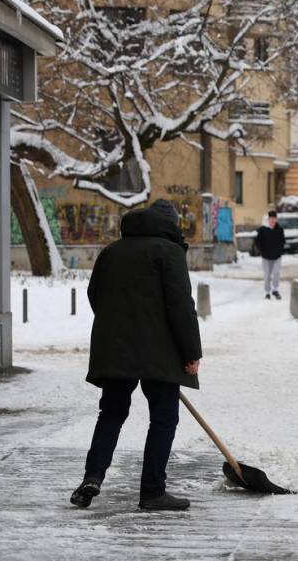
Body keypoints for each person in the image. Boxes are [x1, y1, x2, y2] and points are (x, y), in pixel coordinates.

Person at [71, 199, 202, 511]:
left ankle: (92, 476)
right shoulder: (169, 252)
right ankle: (153, 491)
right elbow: (181, 306)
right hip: (160, 351)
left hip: (115, 347)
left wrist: (118, 324)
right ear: (172, 225)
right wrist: (191, 352)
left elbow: (94, 294)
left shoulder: (112, 251)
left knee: (112, 412)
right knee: (164, 417)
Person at [255, 211, 286, 300]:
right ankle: (267, 292)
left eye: (274, 219)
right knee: (267, 274)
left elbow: (283, 241)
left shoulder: (280, 229)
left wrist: (280, 250)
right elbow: (257, 241)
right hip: (266, 257)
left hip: (277, 256)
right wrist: (262, 250)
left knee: (276, 273)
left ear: (276, 219)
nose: (272, 220)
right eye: (271, 219)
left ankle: (275, 290)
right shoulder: (263, 229)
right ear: (268, 219)